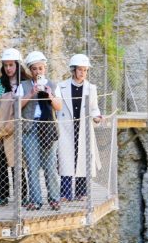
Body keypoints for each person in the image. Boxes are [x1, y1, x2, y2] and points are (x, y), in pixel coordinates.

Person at [18, 50, 63, 210]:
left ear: (45, 69)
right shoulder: (23, 86)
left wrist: (50, 95)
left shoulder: (53, 85)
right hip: (30, 128)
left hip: (48, 128)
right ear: (30, 70)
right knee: (32, 166)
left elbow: (59, 106)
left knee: (50, 165)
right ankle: (35, 200)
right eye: (35, 69)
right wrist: (31, 93)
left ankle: (54, 198)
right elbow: (17, 106)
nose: (38, 71)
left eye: (40, 68)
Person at [56, 54, 102, 201]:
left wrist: (97, 117)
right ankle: (65, 193)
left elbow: (94, 108)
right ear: (73, 70)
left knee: (82, 159)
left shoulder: (91, 88)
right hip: (66, 128)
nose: (83, 73)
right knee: (66, 159)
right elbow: (57, 107)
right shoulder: (61, 86)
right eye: (80, 69)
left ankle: (81, 193)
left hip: (83, 128)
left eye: (85, 70)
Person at [0, 48, 24, 207]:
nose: (8, 68)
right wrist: (8, 98)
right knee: (0, 161)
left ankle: (22, 195)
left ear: (17, 65)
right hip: (1, 128)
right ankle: (2, 196)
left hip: (18, 128)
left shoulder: (25, 82)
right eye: (6, 65)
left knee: (19, 163)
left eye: (11, 65)